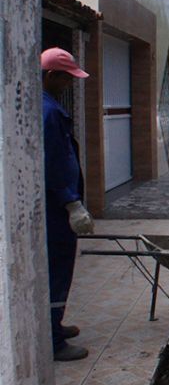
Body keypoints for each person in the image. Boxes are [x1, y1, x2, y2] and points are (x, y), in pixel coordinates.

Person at [41, 47, 94, 361]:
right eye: (66, 78)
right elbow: (54, 163)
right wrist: (71, 203)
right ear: (51, 76)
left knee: (58, 270)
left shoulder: (49, 107)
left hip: (57, 206)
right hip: (55, 210)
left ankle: (55, 325)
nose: (70, 84)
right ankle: (53, 341)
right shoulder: (47, 112)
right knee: (57, 270)